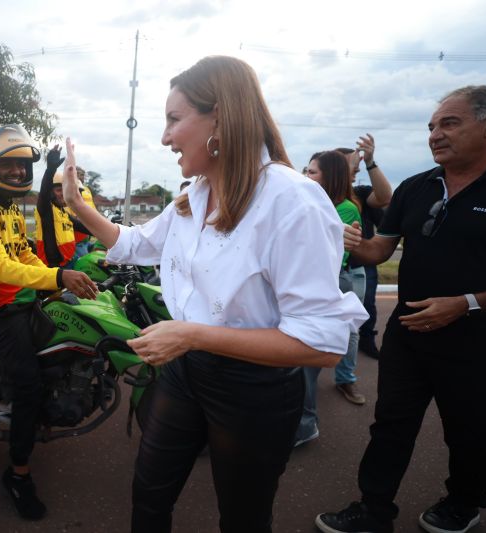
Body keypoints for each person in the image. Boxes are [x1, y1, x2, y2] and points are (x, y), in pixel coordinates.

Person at [61, 56, 366, 533]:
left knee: (242, 517)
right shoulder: (194, 194)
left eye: (174, 119)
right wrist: (79, 205)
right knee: (148, 493)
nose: (164, 137)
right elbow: (136, 244)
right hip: (186, 372)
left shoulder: (293, 201)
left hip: (254, 390)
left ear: (220, 118)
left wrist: (193, 335)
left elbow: (321, 345)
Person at [316, 85, 486, 533]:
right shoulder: (416, 187)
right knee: (391, 424)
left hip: (481, 340)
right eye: (431, 127)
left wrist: (466, 304)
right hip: (409, 333)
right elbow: (378, 252)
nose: (435, 135)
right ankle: (373, 509)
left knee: (471, 431)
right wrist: (353, 244)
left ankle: (463, 504)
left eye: (449, 123)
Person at [0, 124, 98, 521]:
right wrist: (56, 277)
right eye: (9, 165)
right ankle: (17, 475)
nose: (19, 172)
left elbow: (24, 256)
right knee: (29, 386)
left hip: (22, 298)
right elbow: (0, 267)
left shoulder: (9, 209)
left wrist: (52, 283)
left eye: (22, 166)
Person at [295, 150, 365, 447]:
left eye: (312, 172)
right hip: (310, 284)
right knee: (298, 360)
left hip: (331, 283)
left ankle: (306, 424)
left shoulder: (347, 208)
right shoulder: (309, 202)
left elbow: (324, 251)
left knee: (308, 356)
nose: (305, 177)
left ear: (330, 176)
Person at [336, 137, 393, 360]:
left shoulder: (359, 193)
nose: (355, 172)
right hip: (330, 267)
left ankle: (364, 345)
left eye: (358, 169)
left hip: (359, 266)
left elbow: (384, 197)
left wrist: (370, 162)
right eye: (352, 167)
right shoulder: (321, 195)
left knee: (363, 310)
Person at [34, 147, 92, 268]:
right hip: (53, 268)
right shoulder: (47, 210)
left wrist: (115, 230)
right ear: (50, 192)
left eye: (64, 190)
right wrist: (50, 169)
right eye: (58, 190)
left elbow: (86, 227)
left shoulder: (63, 213)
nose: (63, 193)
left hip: (70, 262)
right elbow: (43, 194)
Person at [68, 166, 97, 259]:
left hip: (86, 236)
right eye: (78, 174)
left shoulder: (86, 189)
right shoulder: (68, 189)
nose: (81, 177)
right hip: (76, 237)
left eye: (82, 175)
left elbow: (92, 207)